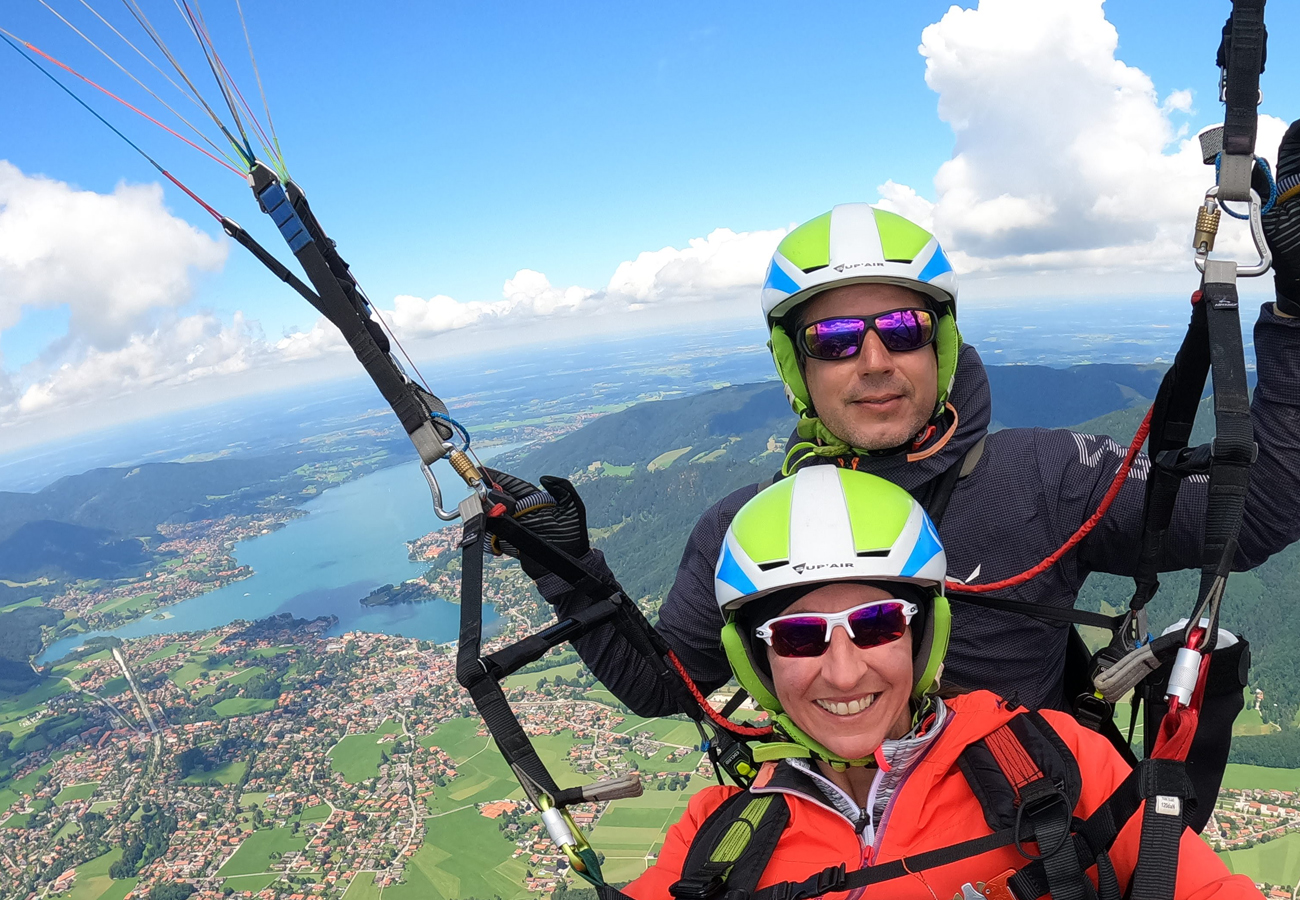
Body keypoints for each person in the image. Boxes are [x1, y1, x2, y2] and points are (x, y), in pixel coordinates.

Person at [490, 120, 1300, 718]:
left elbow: (1260, 508)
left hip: (1033, 843)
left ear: (941, 347)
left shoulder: (1046, 477)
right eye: (835, 340)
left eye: (904, 330)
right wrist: (564, 565)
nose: (874, 362)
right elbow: (663, 685)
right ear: (796, 367)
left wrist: (1296, 311)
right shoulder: (743, 529)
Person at [620, 467, 1258, 900]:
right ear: (757, 661)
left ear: (923, 637)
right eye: (798, 636)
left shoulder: (1054, 761)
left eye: (876, 625)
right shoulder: (715, 838)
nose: (844, 672)